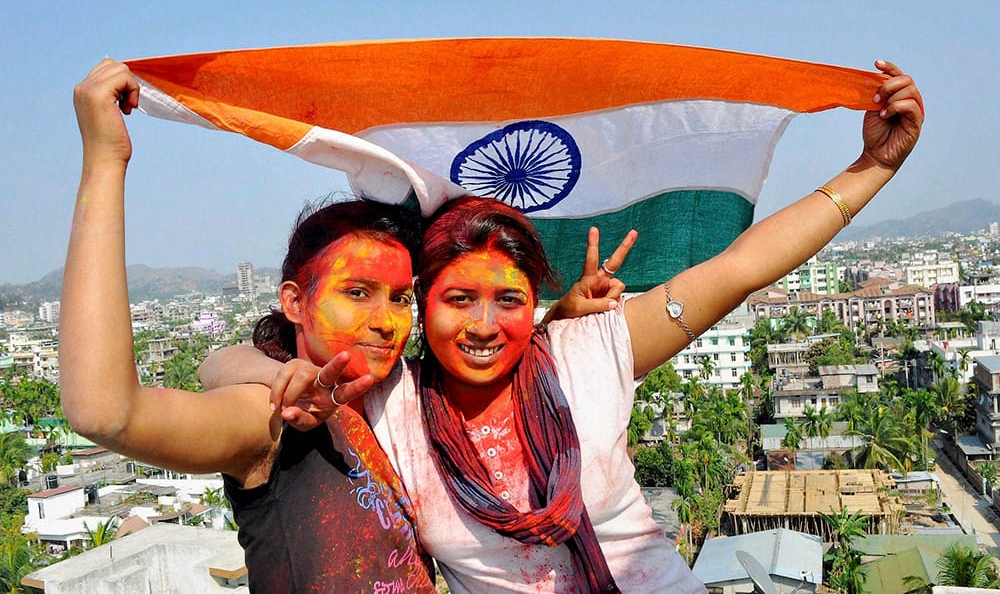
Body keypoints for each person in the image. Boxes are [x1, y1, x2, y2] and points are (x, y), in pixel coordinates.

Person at [209, 60, 923, 592]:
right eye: (459, 300)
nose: (485, 325)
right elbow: (225, 363)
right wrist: (276, 378)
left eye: (510, 301)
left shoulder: (587, 353)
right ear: (422, 306)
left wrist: (872, 167)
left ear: (536, 304)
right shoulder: (390, 401)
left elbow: (741, 267)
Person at [61, 60, 440, 592]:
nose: (385, 322)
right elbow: (106, 414)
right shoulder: (275, 416)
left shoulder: (403, 397)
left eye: (401, 298)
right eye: (357, 292)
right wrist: (105, 160)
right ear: (294, 302)